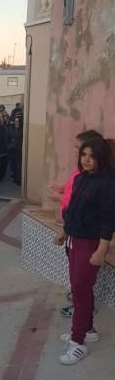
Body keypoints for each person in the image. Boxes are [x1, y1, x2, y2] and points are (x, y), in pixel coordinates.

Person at [58, 137, 115, 365]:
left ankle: (78, 342)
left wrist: (101, 250)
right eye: (84, 155)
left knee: (80, 293)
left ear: (102, 158)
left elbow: (108, 220)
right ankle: (88, 329)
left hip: (89, 244)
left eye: (92, 156)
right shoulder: (81, 178)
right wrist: (64, 231)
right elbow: (72, 210)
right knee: (80, 288)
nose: (87, 160)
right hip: (74, 239)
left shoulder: (108, 183)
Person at [48, 129, 103, 318]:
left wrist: (59, 197)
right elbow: (72, 192)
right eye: (80, 150)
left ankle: (84, 314)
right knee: (76, 277)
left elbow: (79, 202)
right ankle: (81, 307)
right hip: (72, 229)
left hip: (85, 234)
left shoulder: (95, 180)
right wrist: (61, 190)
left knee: (82, 280)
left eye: (80, 149)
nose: (78, 154)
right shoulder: (80, 173)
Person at [7, 115, 23, 186]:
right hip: (11, 150)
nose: (16, 122)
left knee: (18, 167)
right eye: (15, 121)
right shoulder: (11, 128)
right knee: (12, 165)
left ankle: (18, 179)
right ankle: (15, 177)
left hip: (19, 151)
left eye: (18, 121)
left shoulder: (22, 130)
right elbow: (8, 138)